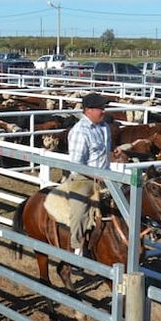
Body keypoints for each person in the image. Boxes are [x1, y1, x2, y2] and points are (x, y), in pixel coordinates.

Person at [62, 92, 113, 256]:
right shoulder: (80, 131)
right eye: (100, 108)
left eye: (103, 107)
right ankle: (76, 248)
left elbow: (103, 153)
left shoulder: (104, 127)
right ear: (88, 110)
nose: (103, 111)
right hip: (84, 179)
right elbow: (76, 165)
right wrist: (96, 176)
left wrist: (114, 154)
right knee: (79, 213)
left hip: (106, 176)